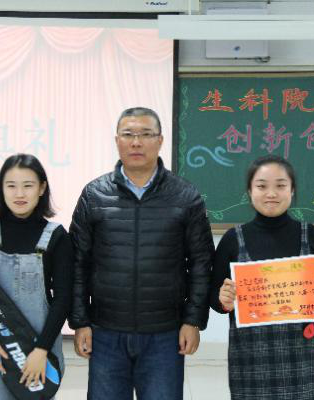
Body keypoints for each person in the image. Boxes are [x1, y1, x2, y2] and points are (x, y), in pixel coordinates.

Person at [68, 107, 214, 400]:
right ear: (117, 140)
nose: (136, 142)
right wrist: (80, 322)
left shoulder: (185, 196)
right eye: (128, 134)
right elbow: (77, 263)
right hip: (106, 331)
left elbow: (201, 262)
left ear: (160, 141)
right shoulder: (94, 194)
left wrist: (193, 320)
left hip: (165, 333)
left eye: (146, 134)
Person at [211, 154, 314, 400]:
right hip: (251, 357)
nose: (271, 193)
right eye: (262, 186)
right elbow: (214, 299)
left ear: (292, 190)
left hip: (303, 356)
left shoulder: (311, 236)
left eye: (281, 185)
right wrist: (224, 300)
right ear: (250, 191)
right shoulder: (233, 239)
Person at [0, 153, 73, 399]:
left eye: (28, 185)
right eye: (11, 186)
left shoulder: (57, 237)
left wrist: (41, 350)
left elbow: (63, 299)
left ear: (42, 188)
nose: (19, 194)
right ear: (1, 190)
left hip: (39, 354)